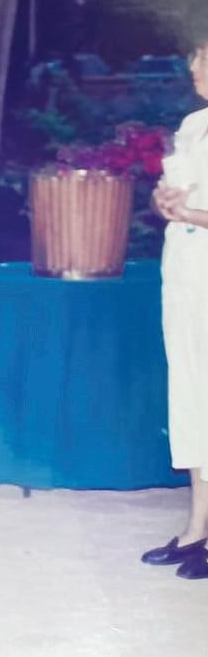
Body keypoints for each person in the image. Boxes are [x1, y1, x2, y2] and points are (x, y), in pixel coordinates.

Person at [143, 35, 208, 580]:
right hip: (184, 274)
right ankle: (197, 528)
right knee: (190, 399)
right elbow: (173, 190)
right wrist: (162, 201)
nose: (194, 66)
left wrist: (194, 213)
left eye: (205, 57)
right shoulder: (193, 125)